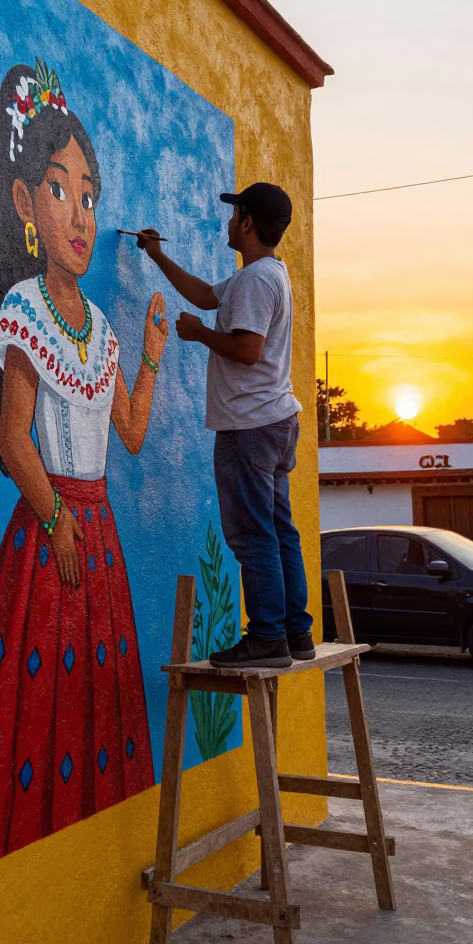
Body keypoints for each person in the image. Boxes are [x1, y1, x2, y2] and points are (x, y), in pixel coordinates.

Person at [0, 59, 167, 885]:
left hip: (100, 540)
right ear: (27, 203)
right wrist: (56, 518)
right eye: (61, 191)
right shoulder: (24, 310)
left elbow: (131, 433)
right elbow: (15, 441)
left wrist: (149, 357)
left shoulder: (101, 326)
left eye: (90, 196)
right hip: (51, 536)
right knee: (32, 723)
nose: (80, 214)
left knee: (97, 714)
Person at [138, 182, 314, 669]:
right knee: (278, 530)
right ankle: (294, 632)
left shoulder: (256, 280)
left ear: (248, 223)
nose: (229, 221)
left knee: (252, 535)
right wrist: (157, 255)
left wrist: (198, 334)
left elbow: (247, 350)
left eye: (235, 214)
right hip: (273, 422)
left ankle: (267, 639)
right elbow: (203, 294)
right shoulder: (260, 275)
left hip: (250, 427)